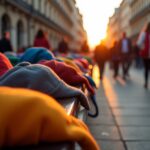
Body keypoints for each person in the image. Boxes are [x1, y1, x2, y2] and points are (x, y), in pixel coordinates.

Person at [137, 22, 150, 89]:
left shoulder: (143, 34)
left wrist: (143, 47)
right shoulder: (144, 34)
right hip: (146, 54)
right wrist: (143, 47)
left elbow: (138, 43)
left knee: (147, 68)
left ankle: (146, 82)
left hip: (146, 54)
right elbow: (139, 43)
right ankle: (146, 81)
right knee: (147, 68)